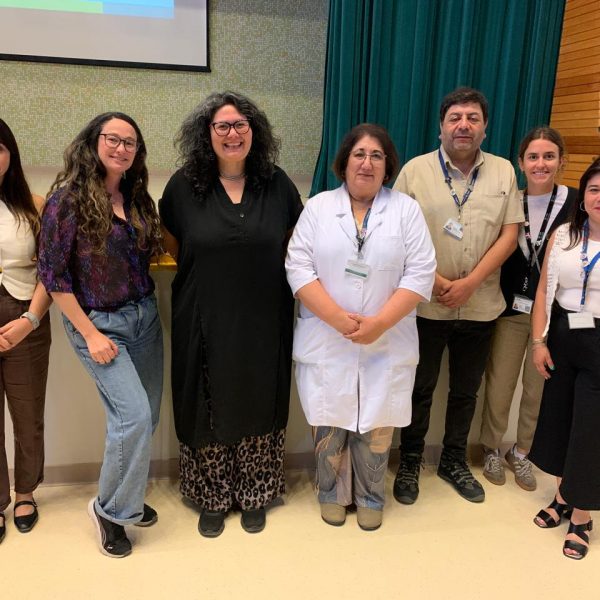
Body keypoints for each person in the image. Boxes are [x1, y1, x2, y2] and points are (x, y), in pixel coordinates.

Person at [159, 91, 303, 538]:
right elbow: (173, 244)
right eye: (222, 126)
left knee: (259, 394)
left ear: (254, 132)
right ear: (207, 134)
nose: (232, 133)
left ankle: (256, 493)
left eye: (241, 125)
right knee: (205, 398)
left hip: (265, 314)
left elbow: (294, 241)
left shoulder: (277, 184)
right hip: (202, 313)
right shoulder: (183, 186)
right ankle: (212, 497)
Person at [286, 123, 436, 530]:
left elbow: (421, 271)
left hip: (386, 338)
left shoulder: (405, 210)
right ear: (344, 162)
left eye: (376, 156)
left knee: (378, 417)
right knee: (329, 413)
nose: (367, 163)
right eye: (359, 154)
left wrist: (380, 323)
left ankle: (371, 495)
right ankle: (331, 492)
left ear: (387, 166)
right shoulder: (318, 207)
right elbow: (298, 267)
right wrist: (336, 318)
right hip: (327, 334)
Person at [38, 112, 163, 558]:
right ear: (93, 141)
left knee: (146, 417)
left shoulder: (137, 196)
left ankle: (126, 497)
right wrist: (90, 334)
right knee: (133, 417)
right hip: (98, 324)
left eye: (130, 142)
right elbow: (54, 277)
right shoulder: (66, 201)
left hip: (144, 318)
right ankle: (110, 511)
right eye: (113, 139)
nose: (121, 148)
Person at [392, 87, 522, 504]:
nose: (463, 125)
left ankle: (453, 460)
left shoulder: (504, 171)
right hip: (425, 304)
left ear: (485, 128)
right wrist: (431, 279)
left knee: (466, 391)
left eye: (472, 118)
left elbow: (510, 234)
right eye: (455, 118)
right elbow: (396, 233)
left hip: (481, 305)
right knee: (420, 388)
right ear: (441, 127)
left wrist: (471, 282)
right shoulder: (414, 171)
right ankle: (410, 459)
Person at [479, 127, 577, 491]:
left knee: (538, 389)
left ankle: (521, 452)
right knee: (500, 384)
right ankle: (491, 448)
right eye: (533, 157)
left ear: (561, 161)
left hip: (551, 316)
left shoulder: (575, 203)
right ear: (520, 163)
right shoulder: (509, 201)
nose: (541, 164)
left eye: (549, 156)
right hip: (509, 310)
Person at [529, 158, 600, 560]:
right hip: (562, 333)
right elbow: (544, 291)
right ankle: (561, 495)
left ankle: (582, 515)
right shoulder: (564, 235)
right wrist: (538, 342)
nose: (599, 198)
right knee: (559, 419)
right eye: (594, 189)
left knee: (590, 428)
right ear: (583, 195)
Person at [0, 119, 52, 544]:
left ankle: (26, 492)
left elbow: (52, 273)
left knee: (28, 410)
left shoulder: (34, 205)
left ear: (10, 154)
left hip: (24, 315)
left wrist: (29, 320)